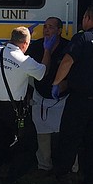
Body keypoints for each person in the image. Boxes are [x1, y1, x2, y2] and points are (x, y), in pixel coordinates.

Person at [0, 26, 51, 184]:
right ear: (26, 43)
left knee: (3, 140)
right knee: (29, 145)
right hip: (14, 109)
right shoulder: (24, 61)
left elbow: (8, 47)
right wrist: (47, 50)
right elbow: (43, 72)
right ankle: (10, 180)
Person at [51, 6, 93, 184]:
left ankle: (63, 179)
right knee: (92, 141)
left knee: (69, 139)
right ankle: (91, 180)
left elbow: (68, 61)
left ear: (86, 18)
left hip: (80, 99)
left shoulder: (82, 38)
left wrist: (56, 82)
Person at [27, 17, 71, 173]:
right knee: (42, 133)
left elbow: (75, 71)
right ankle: (44, 166)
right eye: (45, 27)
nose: (46, 30)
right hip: (41, 95)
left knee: (66, 134)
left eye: (51, 27)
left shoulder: (68, 46)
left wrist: (65, 84)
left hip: (62, 97)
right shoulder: (38, 45)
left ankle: (70, 168)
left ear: (59, 31)